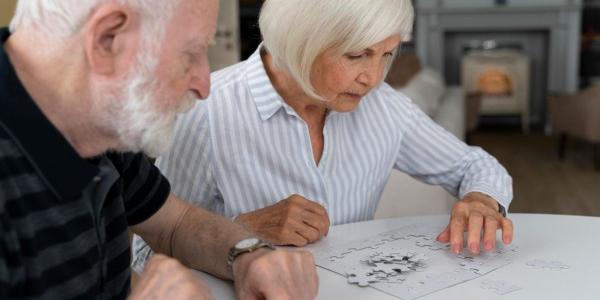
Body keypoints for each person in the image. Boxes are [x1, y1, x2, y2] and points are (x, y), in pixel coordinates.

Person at [133, 0, 515, 270]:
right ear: (302, 43)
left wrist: (481, 200)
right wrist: (239, 231)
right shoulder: (208, 113)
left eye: (387, 54)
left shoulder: (383, 106)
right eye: (356, 56)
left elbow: (474, 164)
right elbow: (143, 257)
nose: (374, 77)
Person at [0, 0, 318, 299]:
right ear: (108, 39)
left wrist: (246, 254)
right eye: (190, 54)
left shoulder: (101, 112)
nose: (204, 86)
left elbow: (175, 223)